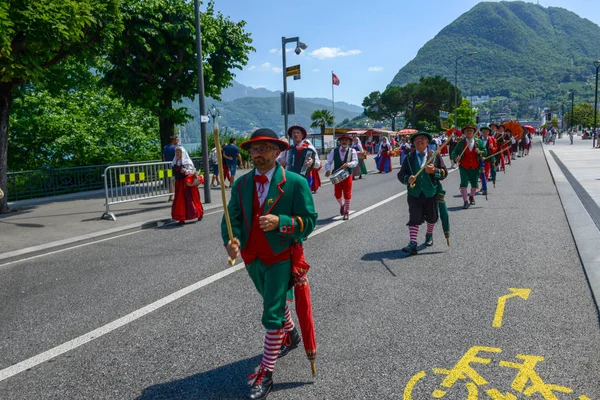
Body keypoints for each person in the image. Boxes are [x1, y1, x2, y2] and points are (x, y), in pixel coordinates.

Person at [222, 128, 317, 400]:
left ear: (277, 152)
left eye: (264, 149)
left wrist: (282, 222)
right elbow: (233, 219)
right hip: (253, 258)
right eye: (254, 149)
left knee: (271, 312)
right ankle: (291, 335)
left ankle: (265, 372)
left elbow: (308, 221)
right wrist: (233, 240)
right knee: (270, 301)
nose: (258, 154)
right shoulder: (241, 184)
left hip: (280, 256)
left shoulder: (296, 183)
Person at [397, 131, 447, 255]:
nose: (420, 141)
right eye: (417, 139)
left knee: (432, 217)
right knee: (414, 217)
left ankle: (429, 235)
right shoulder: (409, 158)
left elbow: (444, 172)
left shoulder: (435, 156)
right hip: (415, 192)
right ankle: (413, 243)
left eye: (423, 139)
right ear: (413, 143)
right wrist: (407, 179)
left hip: (431, 192)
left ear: (427, 142)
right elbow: (401, 174)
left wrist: (434, 170)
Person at [451, 125, 487, 209]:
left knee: (474, 184)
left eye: (471, 131)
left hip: (475, 166)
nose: (469, 132)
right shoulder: (460, 143)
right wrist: (456, 157)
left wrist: (480, 152)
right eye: (467, 131)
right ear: (464, 133)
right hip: (464, 166)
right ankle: (465, 201)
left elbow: (485, 151)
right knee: (464, 183)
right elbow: (454, 153)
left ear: (473, 132)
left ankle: (471, 196)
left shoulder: (479, 142)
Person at [325, 135, 358, 220]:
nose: (344, 141)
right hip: (337, 175)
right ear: (340, 141)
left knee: (347, 193)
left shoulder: (352, 150)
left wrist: (348, 164)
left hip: (347, 174)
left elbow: (355, 162)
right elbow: (328, 162)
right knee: (337, 194)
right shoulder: (334, 150)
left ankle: (346, 211)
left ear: (349, 142)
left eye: (346, 140)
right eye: (342, 140)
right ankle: (342, 204)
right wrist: (328, 170)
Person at [171, 146, 203, 224]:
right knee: (179, 200)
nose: (177, 154)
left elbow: (192, 171)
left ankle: (199, 213)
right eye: (176, 152)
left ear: (183, 153)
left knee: (191, 199)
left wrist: (186, 171)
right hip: (179, 183)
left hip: (186, 184)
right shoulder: (175, 161)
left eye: (179, 152)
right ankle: (181, 218)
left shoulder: (187, 161)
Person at [480, 126, 498, 193]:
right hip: (480, 158)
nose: (485, 133)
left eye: (486, 131)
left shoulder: (492, 139)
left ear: (488, 132)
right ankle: (482, 184)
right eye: (484, 131)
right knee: (480, 173)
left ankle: (484, 186)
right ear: (482, 132)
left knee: (486, 172)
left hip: (488, 157)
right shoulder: (478, 139)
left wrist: (492, 147)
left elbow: (495, 148)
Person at [162, 135, 179, 201]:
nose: (177, 141)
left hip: (167, 165)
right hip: (174, 166)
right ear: (173, 140)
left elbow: (163, 157)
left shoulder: (165, 147)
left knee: (170, 181)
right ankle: (176, 195)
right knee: (175, 181)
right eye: (176, 140)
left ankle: (170, 196)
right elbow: (177, 157)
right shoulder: (175, 148)